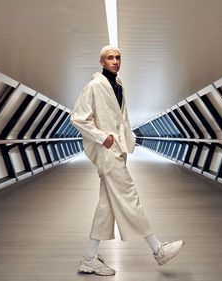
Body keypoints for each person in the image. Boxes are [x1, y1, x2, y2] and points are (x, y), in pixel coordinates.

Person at [70, 45, 184, 276]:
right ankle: (158, 249)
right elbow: (77, 118)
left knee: (106, 207)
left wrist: (123, 141)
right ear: (101, 62)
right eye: (110, 58)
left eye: (118, 57)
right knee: (130, 197)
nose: (115, 61)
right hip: (107, 152)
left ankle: (89, 259)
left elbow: (120, 117)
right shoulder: (94, 86)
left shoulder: (118, 85)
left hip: (117, 150)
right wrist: (104, 138)